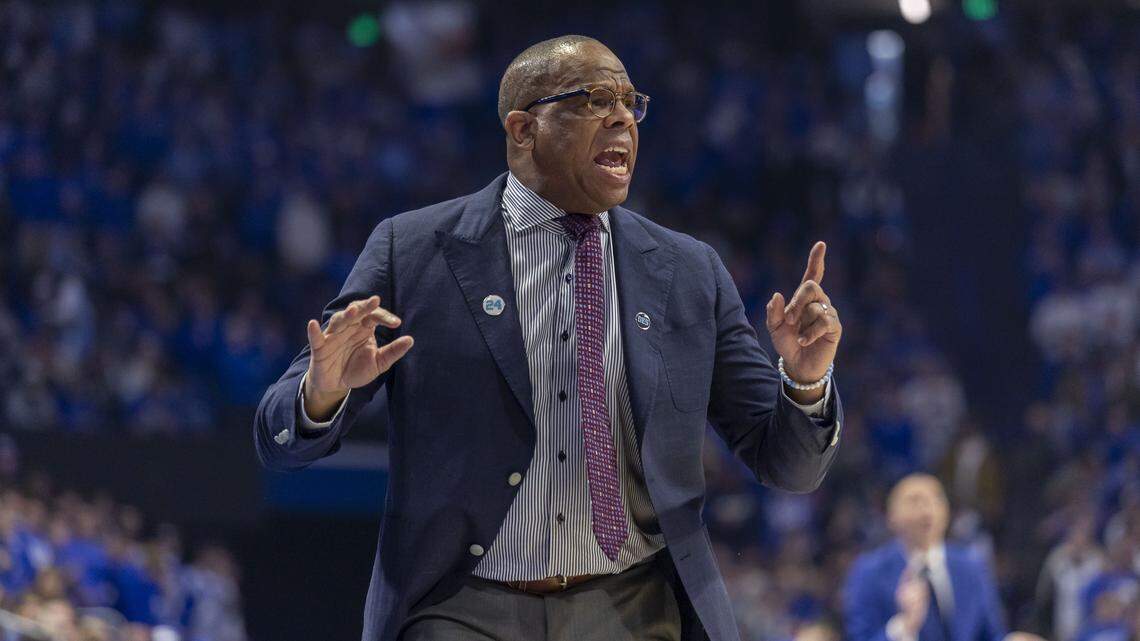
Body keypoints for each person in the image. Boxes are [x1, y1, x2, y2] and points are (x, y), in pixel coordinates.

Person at [254, 35, 844, 641]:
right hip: (461, 606)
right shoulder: (413, 251)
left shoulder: (690, 271)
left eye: (630, 102)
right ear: (522, 129)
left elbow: (789, 466)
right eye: (595, 99)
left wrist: (804, 382)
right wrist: (321, 393)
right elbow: (279, 442)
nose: (622, 118)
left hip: (635, 603)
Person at [842, 474, 1007, 641]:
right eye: (914, 501)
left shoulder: (972, 566)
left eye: (936, 499)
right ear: (891, 516)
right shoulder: (870, 571)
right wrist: (903, 626)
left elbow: (993, 634)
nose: (927, 510)